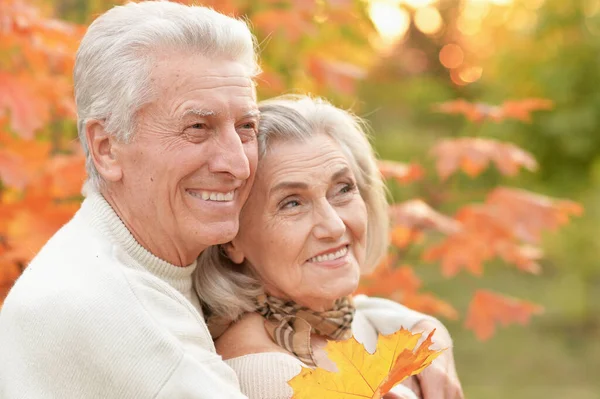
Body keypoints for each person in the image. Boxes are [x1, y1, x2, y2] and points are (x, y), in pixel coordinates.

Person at [0, 1, 260, 397]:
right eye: (197, 127)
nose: (238, 164)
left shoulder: (116, 259)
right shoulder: (116, 312)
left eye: (246, 126)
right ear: (106, 148)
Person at [196, 95, 465, 399]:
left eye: (343, 189)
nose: (335, 226)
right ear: (231, 238)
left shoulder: (336, 317)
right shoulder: (268, 376)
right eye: (292, 203)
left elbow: (368, 312)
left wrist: (430, 333)